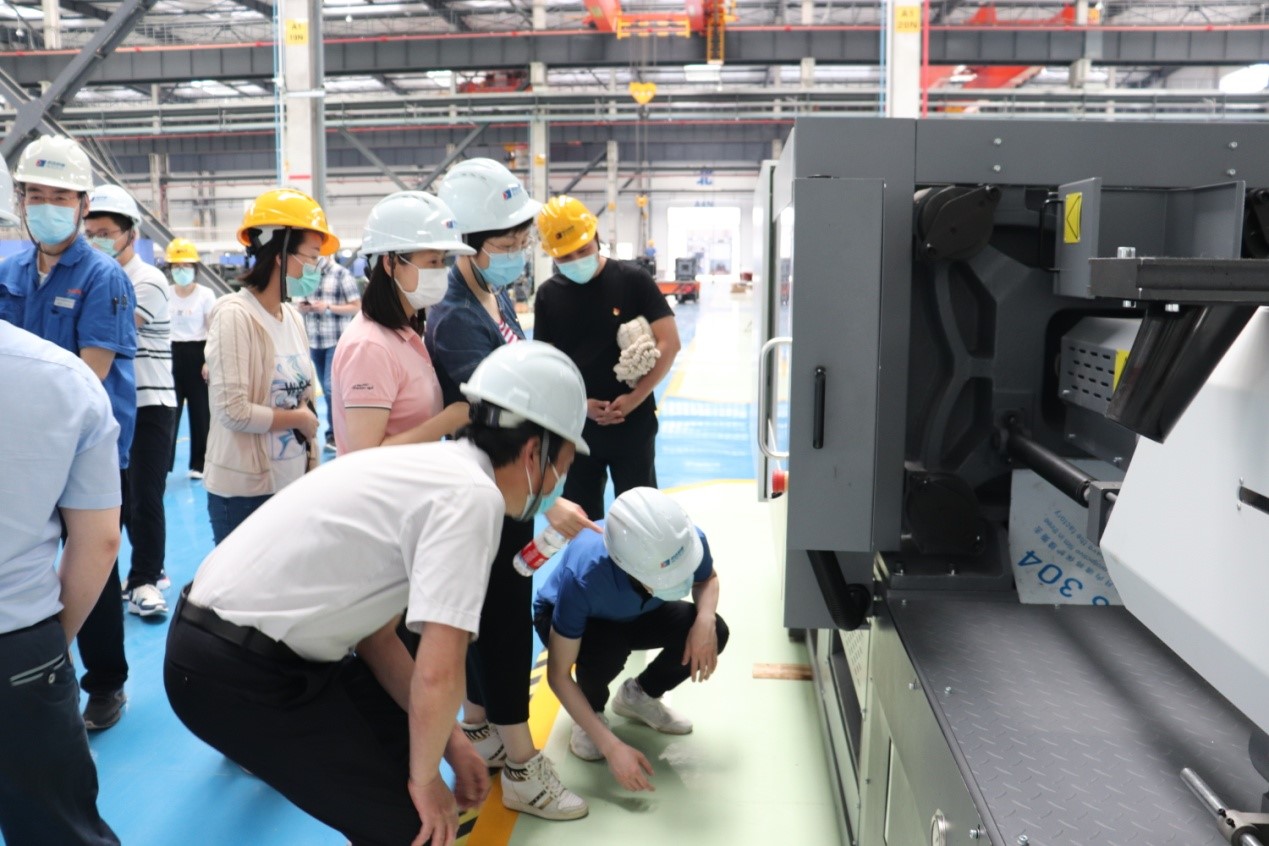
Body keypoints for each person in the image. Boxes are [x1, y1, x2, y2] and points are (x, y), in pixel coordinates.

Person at [164, 341, 590, 846]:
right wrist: (426, 781)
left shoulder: (434, 468)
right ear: (534, 452)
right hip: (233, 671)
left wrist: (451, 744)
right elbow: (439, 669)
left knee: (407, 768)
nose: (560, 481)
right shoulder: (472, 498)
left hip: (228, 646)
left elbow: (378, 638)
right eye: (563, 465)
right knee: (413, 829)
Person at [428, 158, 593, 821]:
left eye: (522, 239)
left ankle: (480, 727)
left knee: (496, 617)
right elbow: (503, 417)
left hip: (513, 491)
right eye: (506, 241)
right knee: (499, 628)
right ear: (468, 245)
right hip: (496, 493)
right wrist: (549, 498)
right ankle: (523, 767)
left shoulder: (491, 301)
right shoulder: (453, 320)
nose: (519, 252)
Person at [0, 135, 137, 731]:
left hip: (85, 446)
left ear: (83, 205)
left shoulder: (103, 276)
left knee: (92, 562)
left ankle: (104, 682)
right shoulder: (8, 271)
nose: (46, 207)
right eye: (35, 195)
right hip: (20, 445)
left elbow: (91, 374)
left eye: (61, 196)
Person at [0, 321, 123, 846]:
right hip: (19, 644)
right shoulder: (62, 376)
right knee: (56, 828)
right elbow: (100, 540)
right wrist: (54, 641)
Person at [534, 487, 728, 792]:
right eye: (668, 577)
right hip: (571, 619)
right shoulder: (585, 576)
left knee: (715, 630)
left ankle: (639, 695)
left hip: (639, 608)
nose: (681, 580)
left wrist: (705, 619)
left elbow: (707, 578)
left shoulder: (686, 542)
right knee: (605, 650)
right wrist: (610, 746)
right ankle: (591, 713)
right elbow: (558, 675)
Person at [534, 195, 681, 519]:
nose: (576, 259)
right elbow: (546, 366)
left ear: (596, 238)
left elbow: (670, 342)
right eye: (565, 256)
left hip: (633, 424)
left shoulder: (633, 280)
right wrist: (581, 405)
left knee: (643, 518)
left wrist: (634, 399)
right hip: (578, 430)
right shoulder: (548, 296)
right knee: (584, 524)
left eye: (583, 250)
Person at [203, 189, 332, 543]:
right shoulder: (235, 316)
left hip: (291, 485)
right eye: (312, 257)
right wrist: (298, 420)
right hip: (244, 496)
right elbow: (233, 411)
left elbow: (304, 398)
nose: (316, 269)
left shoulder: (292, 316)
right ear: (280, 254)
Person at [86, 184, 177, 618]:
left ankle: (145, 579)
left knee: (145, 496)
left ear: (130, 235)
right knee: (113, 498)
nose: (97, 242)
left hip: (150, 404)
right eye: (91, 234)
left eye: (105, 233)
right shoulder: (96, 277)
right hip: (111, 406)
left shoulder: (149, 279)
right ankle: (112, 579)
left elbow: (115, 329)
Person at [330, 191, 472, 455]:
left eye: (443, 261)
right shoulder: (369, 347)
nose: (441, 271)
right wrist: (446, 421)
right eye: (432, 261)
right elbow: (365, 454)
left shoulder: (404, 331)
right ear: (390, 263)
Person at [297, 254, 361, 452]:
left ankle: (335, 435)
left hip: (337, 340)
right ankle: (337, 433)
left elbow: (356, 307)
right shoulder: (306, 275)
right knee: (326, 390)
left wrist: (327, 307)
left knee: (331, 387)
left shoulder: (342, 274)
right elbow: (298, 303)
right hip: (314, 341)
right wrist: (303, 308)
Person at [165, 238, 215, 480]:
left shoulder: (205, 295)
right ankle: (163, 464)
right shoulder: (165, 293)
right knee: (168, 412)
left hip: (198, 355)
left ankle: (199, 464)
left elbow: (213, 329)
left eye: (186, 266)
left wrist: (208, 360)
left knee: (200, 412)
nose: (181, 270)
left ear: (195, 268)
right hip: (171, 354)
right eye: (176, 266)